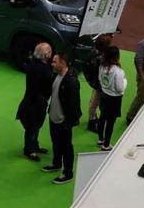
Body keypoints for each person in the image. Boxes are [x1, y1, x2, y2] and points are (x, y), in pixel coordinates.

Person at [41, 53, 81, 184]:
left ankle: (68, 173)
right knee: (56, 143)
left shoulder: (72, 82)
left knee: (66, 147)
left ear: (63, 63)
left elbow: (74, 106)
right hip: (53, 117)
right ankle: (57, 163)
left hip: (64, 122)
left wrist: (68, 123)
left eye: (54, 62)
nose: (51, 64)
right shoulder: (56, 76)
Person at [16, 42, 53, 161]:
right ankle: (29, 150)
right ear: (45, 55)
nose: (51, 53)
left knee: (35, 127)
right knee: (32, 128)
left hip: (35, 102)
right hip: (34, 104)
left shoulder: (35, 64)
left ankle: (34, 146)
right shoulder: (41, 69)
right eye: (50, 51)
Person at [97, 46, 126, 151]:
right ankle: (106, 145)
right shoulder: (118, 71)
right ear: (117, 57)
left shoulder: (101, 66)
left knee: (102, 117)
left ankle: (100, 139)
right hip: (114, 100)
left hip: (104, 96)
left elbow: (100, 80)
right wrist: (125, 82)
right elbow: (119, 88)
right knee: (110, 122)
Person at [82, 34, 113, 133]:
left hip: (94, 81)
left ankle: (93, 118)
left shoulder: (93, 52)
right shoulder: (100, 58)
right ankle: (91, 122)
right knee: (94, 103)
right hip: (98, 83)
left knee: (94, 101)